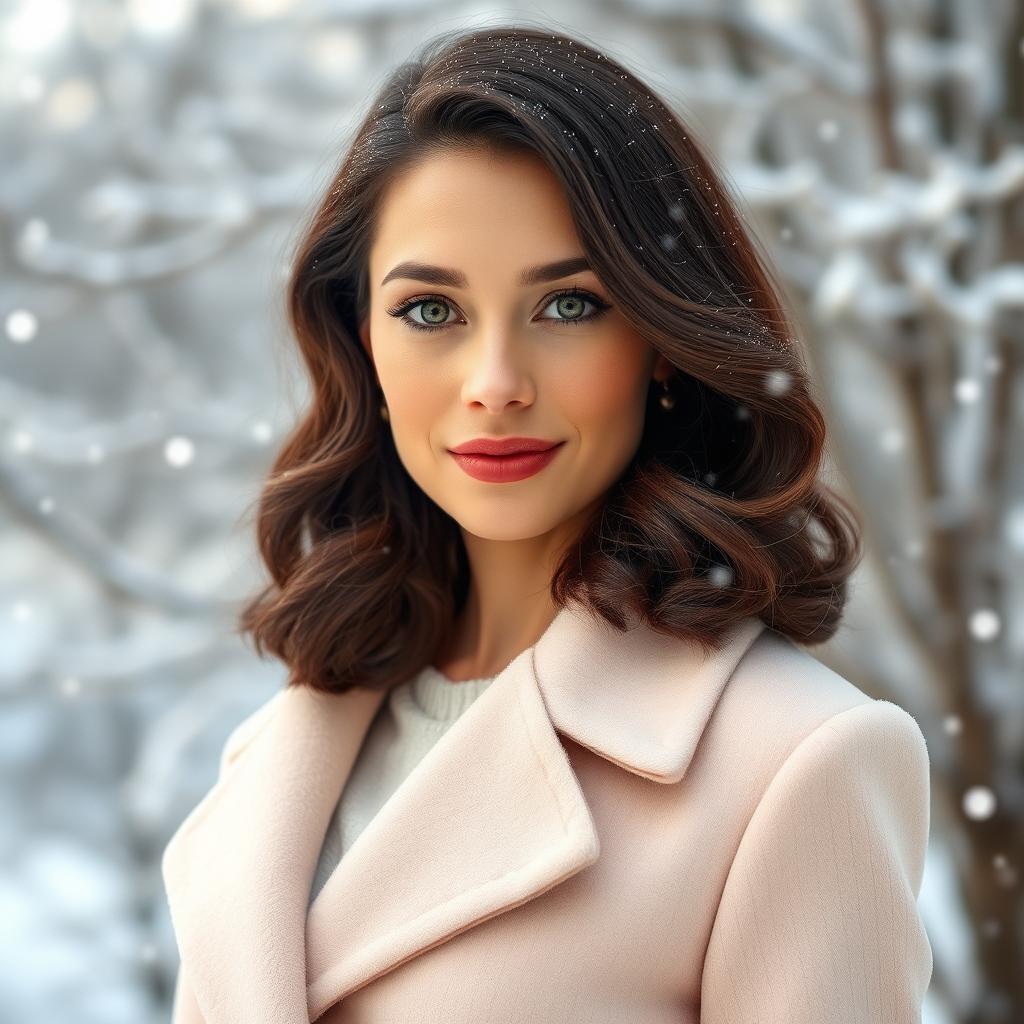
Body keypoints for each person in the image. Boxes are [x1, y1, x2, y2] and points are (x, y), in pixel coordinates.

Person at [161, 22, 932, 1024]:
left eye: (567, 306)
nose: (495, 386)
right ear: (364, 344)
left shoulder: (797, 762)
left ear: (661, 340)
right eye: (431, 312)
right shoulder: (279, 747)